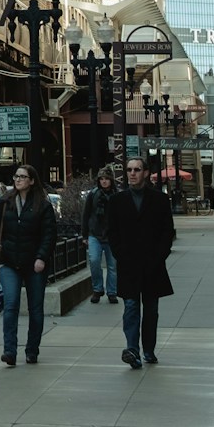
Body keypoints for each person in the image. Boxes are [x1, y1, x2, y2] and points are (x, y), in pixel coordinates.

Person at [106, 158, 177, 368]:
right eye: (129, 170)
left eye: (137, 170)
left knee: (151, 309)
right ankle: (132, 349)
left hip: (152, 264)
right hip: (128, 264)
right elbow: (112, 232)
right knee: (130, 306)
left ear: (145, 173)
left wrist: (159, 255)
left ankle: (148, 349)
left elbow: (167, 232)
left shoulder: (160, 200)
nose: (132, 173)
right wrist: (120, 253)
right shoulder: (117, 201)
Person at [0, 164, 56, 366]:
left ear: (31, 181)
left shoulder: (43, 205)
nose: (18, 180)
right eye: (16, 176)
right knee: (10, 305)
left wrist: (41, 257)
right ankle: (9, 350)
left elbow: (49, 235)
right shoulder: (5, 202)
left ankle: (32, 350)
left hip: (34, 263)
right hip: (9, 261)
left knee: (35, 309)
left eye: (23, 177)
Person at [81, 169, 119, 305]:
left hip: (112, 235)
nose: (104, 181)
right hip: (94, 233)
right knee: (94, 260)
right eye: (102, 179)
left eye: (107, 179)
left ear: (111, 180)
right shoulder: (93, 194)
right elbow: (86, 215)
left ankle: (112, 292)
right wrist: (84, 234)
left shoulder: (117, 195)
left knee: (112, 265)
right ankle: (97, 289)